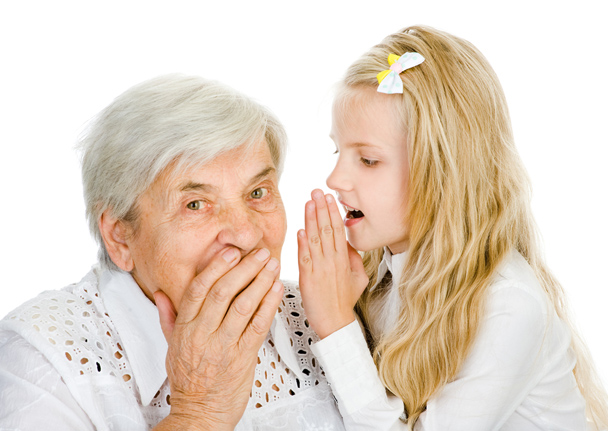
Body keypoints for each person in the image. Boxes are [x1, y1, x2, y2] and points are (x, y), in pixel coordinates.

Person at [297, 26, 608, 430]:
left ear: (442, 173)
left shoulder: (507, 305)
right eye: (338, 150)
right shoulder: (377, 280)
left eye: (368, 160)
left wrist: (337, 326)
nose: (335, 179)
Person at [0, 75, 345, 431]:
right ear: (120, 237)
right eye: (195, 204)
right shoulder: (38, 357)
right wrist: (199, 412)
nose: (246, 234)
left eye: (257, 193)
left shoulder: (325, 315)